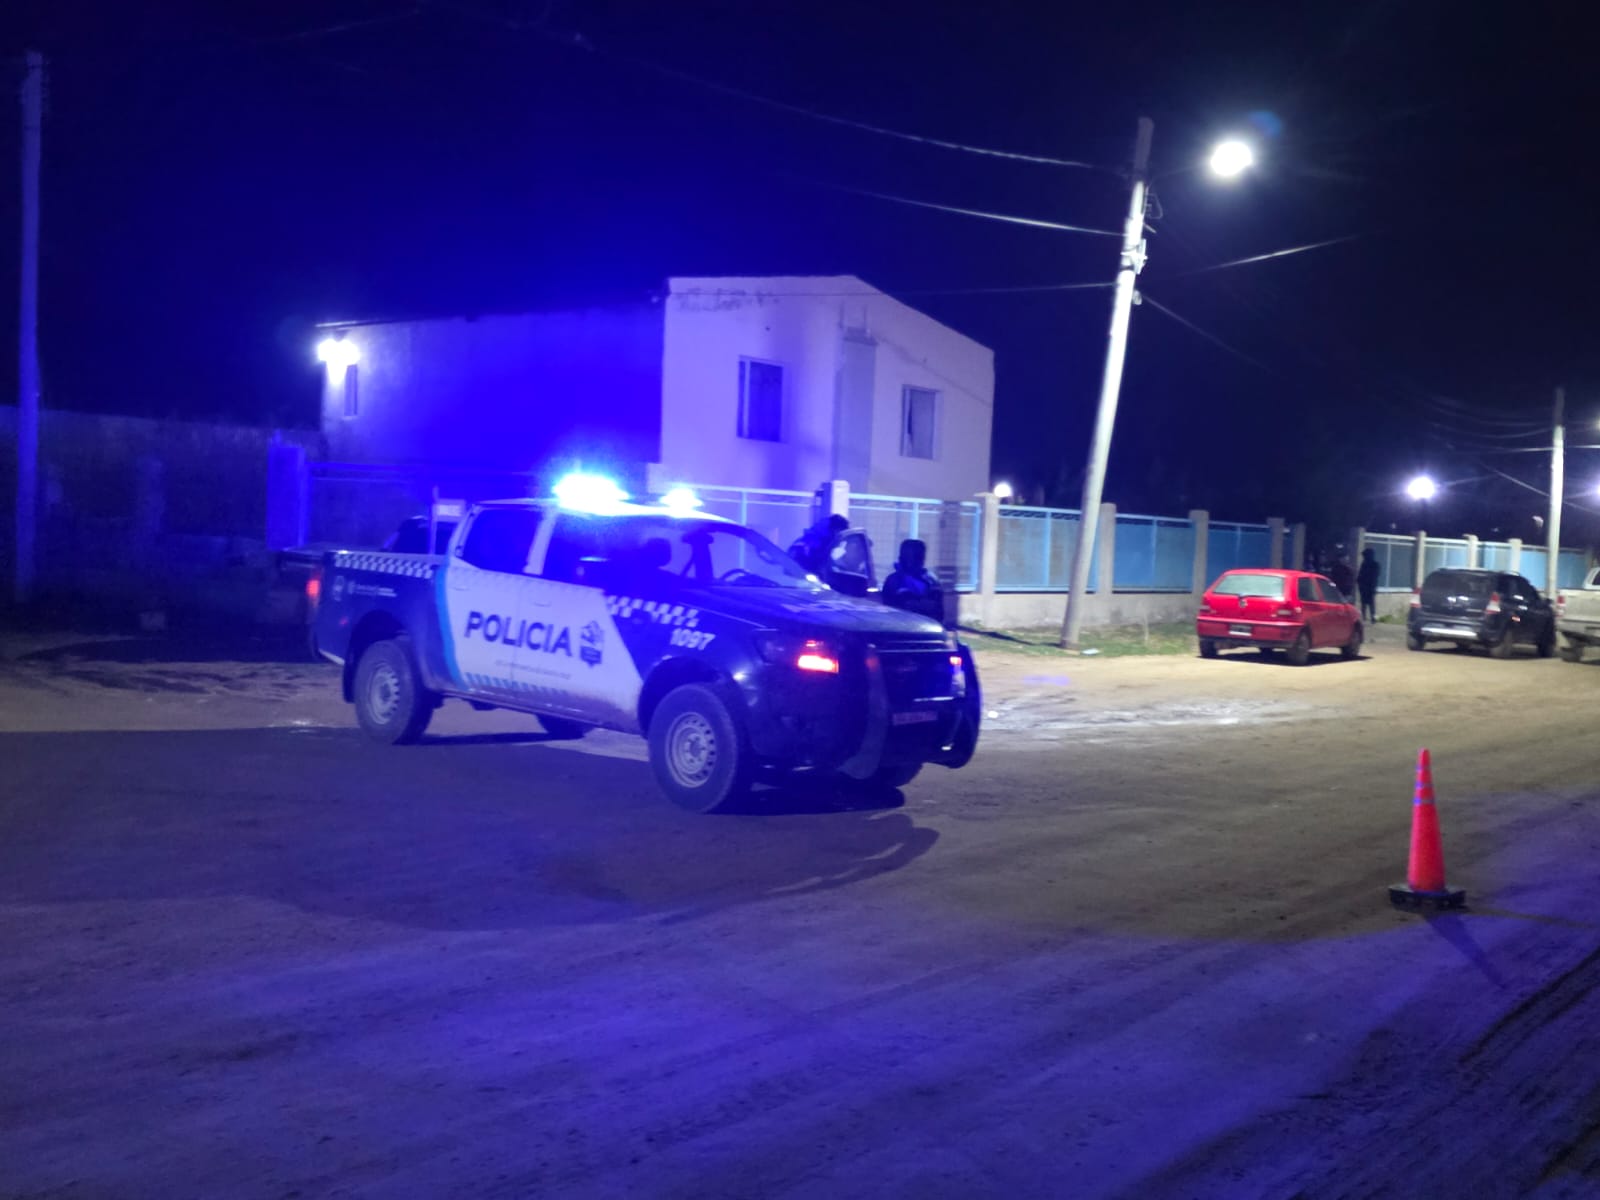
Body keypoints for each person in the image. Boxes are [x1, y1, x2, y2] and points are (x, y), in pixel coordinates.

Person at [881, 538, 945, 624]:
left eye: (919, 556)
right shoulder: (894, 580)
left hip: (927, 628)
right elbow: (889, 611)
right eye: (908, 556)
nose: (918, 560)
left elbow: (938, 612)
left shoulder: (932, 581)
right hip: (901, 628)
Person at [1357, 547, 1381, 623]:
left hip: (1370, 587)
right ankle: (1364, 617)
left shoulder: (1374, 565)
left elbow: (1374, 576)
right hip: (1365, 587)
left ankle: (1373, 618)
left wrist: (1371, 586)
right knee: (1365, 603)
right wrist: (1359, 582)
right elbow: (1360, 575)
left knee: (1371, 604)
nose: (1364, 557)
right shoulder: (1364, 564)